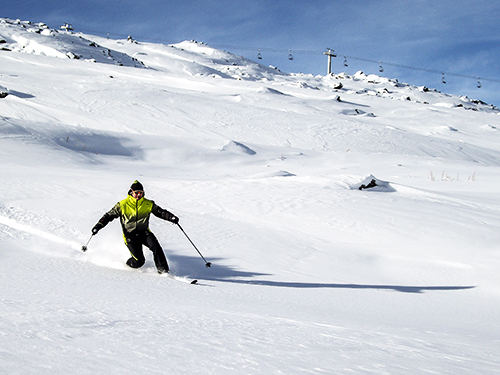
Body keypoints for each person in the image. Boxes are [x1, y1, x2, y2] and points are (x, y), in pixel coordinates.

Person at [91, 180, 179, 274]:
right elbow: (108, 216)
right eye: (136, 193)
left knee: (156, 247)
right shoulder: (122, 205)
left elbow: (161, 212)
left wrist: (171, 217)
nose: (138, 195)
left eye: (140, 193)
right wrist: (98, 226)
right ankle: (127, 265)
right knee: (139, 262)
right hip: (130, 236)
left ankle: (163, 271)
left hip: (144, 233)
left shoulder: (148, 204)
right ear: (131, 192)